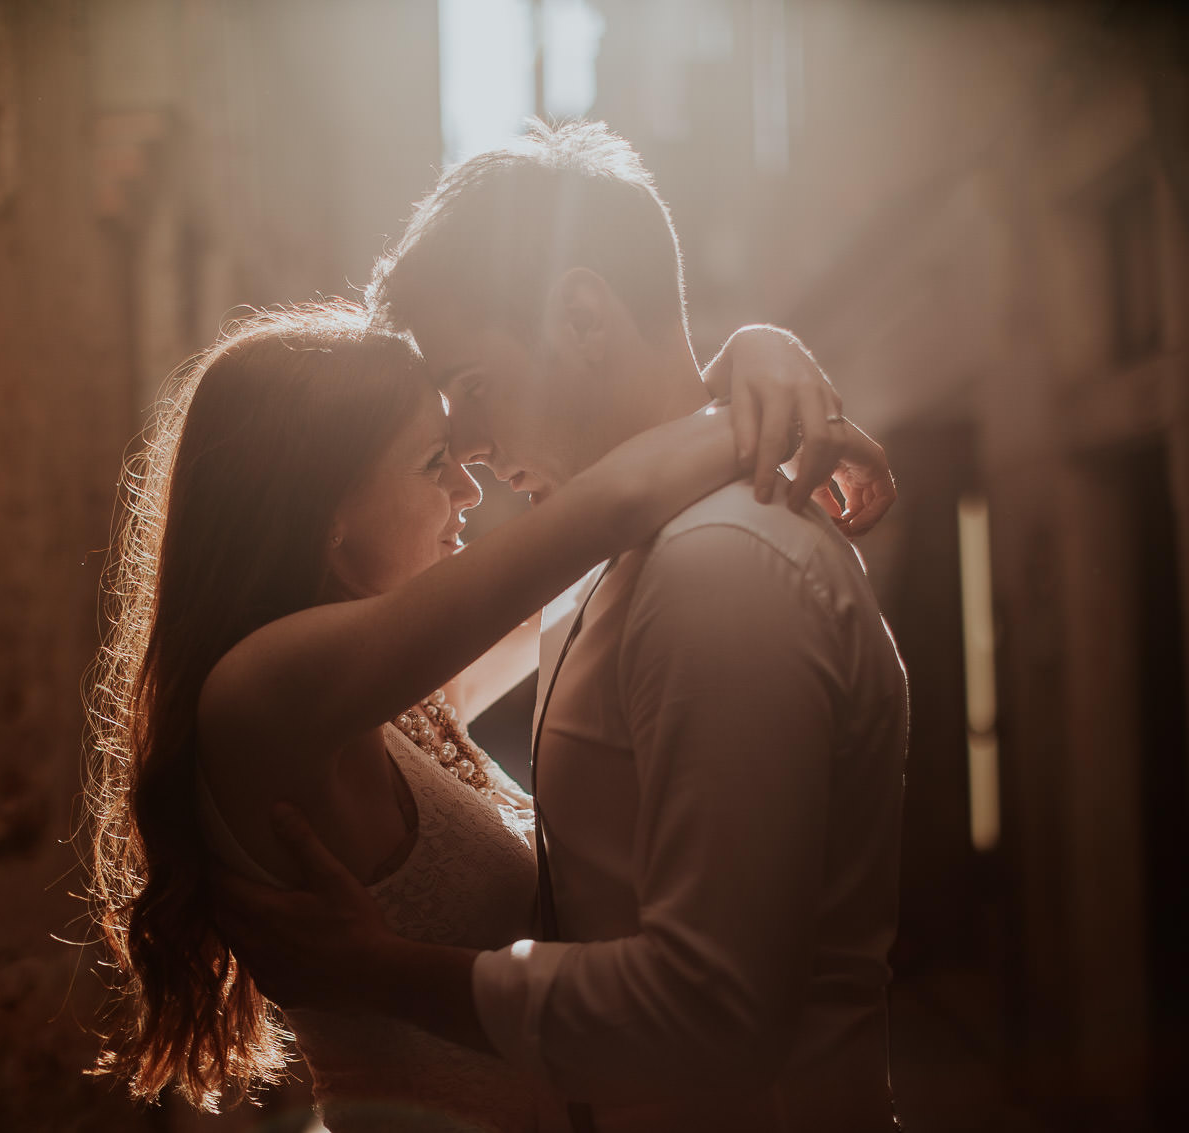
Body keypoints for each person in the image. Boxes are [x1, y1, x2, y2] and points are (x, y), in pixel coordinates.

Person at [214, 122, 910, 1132]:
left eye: (469, 389)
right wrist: (748, 371)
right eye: (433, 440)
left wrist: (384, 970)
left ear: (583, 316)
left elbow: (710, 1007)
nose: (468, 452)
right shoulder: (617, 562)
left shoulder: (715, 565)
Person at [84, 294, 887, 1131]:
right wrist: (777, 410)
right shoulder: (262, 689)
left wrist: (762, 352)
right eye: (435, 462)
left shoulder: (393, 703)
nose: (469, 488)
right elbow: (607, 508)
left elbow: (593, 544)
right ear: (329, 514)